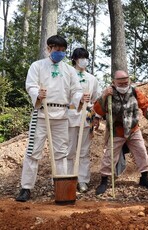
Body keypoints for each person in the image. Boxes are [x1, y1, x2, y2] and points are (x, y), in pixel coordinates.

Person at [15, 35, 90, 202]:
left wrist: (80, 97)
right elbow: (31, 85)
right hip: (42, 114)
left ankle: (61, 188)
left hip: (62, 115)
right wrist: (37, 94)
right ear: (48, 48)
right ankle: (26, 188)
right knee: (33, 152)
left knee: (61, 153)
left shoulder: (69, 70)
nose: (60, 53)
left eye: (63, 51)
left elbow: (75, 90)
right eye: (57, 50)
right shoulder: (37, 66)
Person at [93, 70, 148, 195]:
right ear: (114, 82)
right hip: (117, 130)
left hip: (133, 128)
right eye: (120, 83)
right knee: (110, 155)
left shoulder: (134, 91)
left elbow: (146, 104)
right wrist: (104, 96)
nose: (123, 85)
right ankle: (104, 180)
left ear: (129, 81)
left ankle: (144, 178)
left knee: (141, 151)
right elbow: (98, 110)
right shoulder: (109, 93)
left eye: (125, 82)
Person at [66, 48, 101, 193]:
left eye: (85, 57)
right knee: (69, 150)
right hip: (69, 115)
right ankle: (67, 179)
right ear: (74, 58)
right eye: (80, 57)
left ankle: (83, 181)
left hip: (86, 118)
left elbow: (97, 99)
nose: (83, 60)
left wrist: (97, 117)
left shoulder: (92, 79)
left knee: (84, 151)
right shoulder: (67, 75)